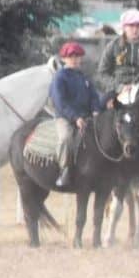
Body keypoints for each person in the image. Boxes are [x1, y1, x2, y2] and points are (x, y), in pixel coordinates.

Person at [49, 42, 102, 187]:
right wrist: (75, 117)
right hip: (65, 118)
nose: (74, 59)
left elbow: (94, 96)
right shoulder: (59, 77)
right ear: (64, 58)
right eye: (71, 56)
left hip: (85, 117)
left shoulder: (83, 77)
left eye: (77, 56)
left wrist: (96, 110)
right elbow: (60, 102)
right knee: (65, 138)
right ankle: (64, 170)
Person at [97, 8, 139, 106]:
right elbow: (102, 73)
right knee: (100, 108)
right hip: (118, 89)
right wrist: (119, 86)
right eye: (131, 26)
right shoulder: (113, 45)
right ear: (124, 27)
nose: (135, 30)